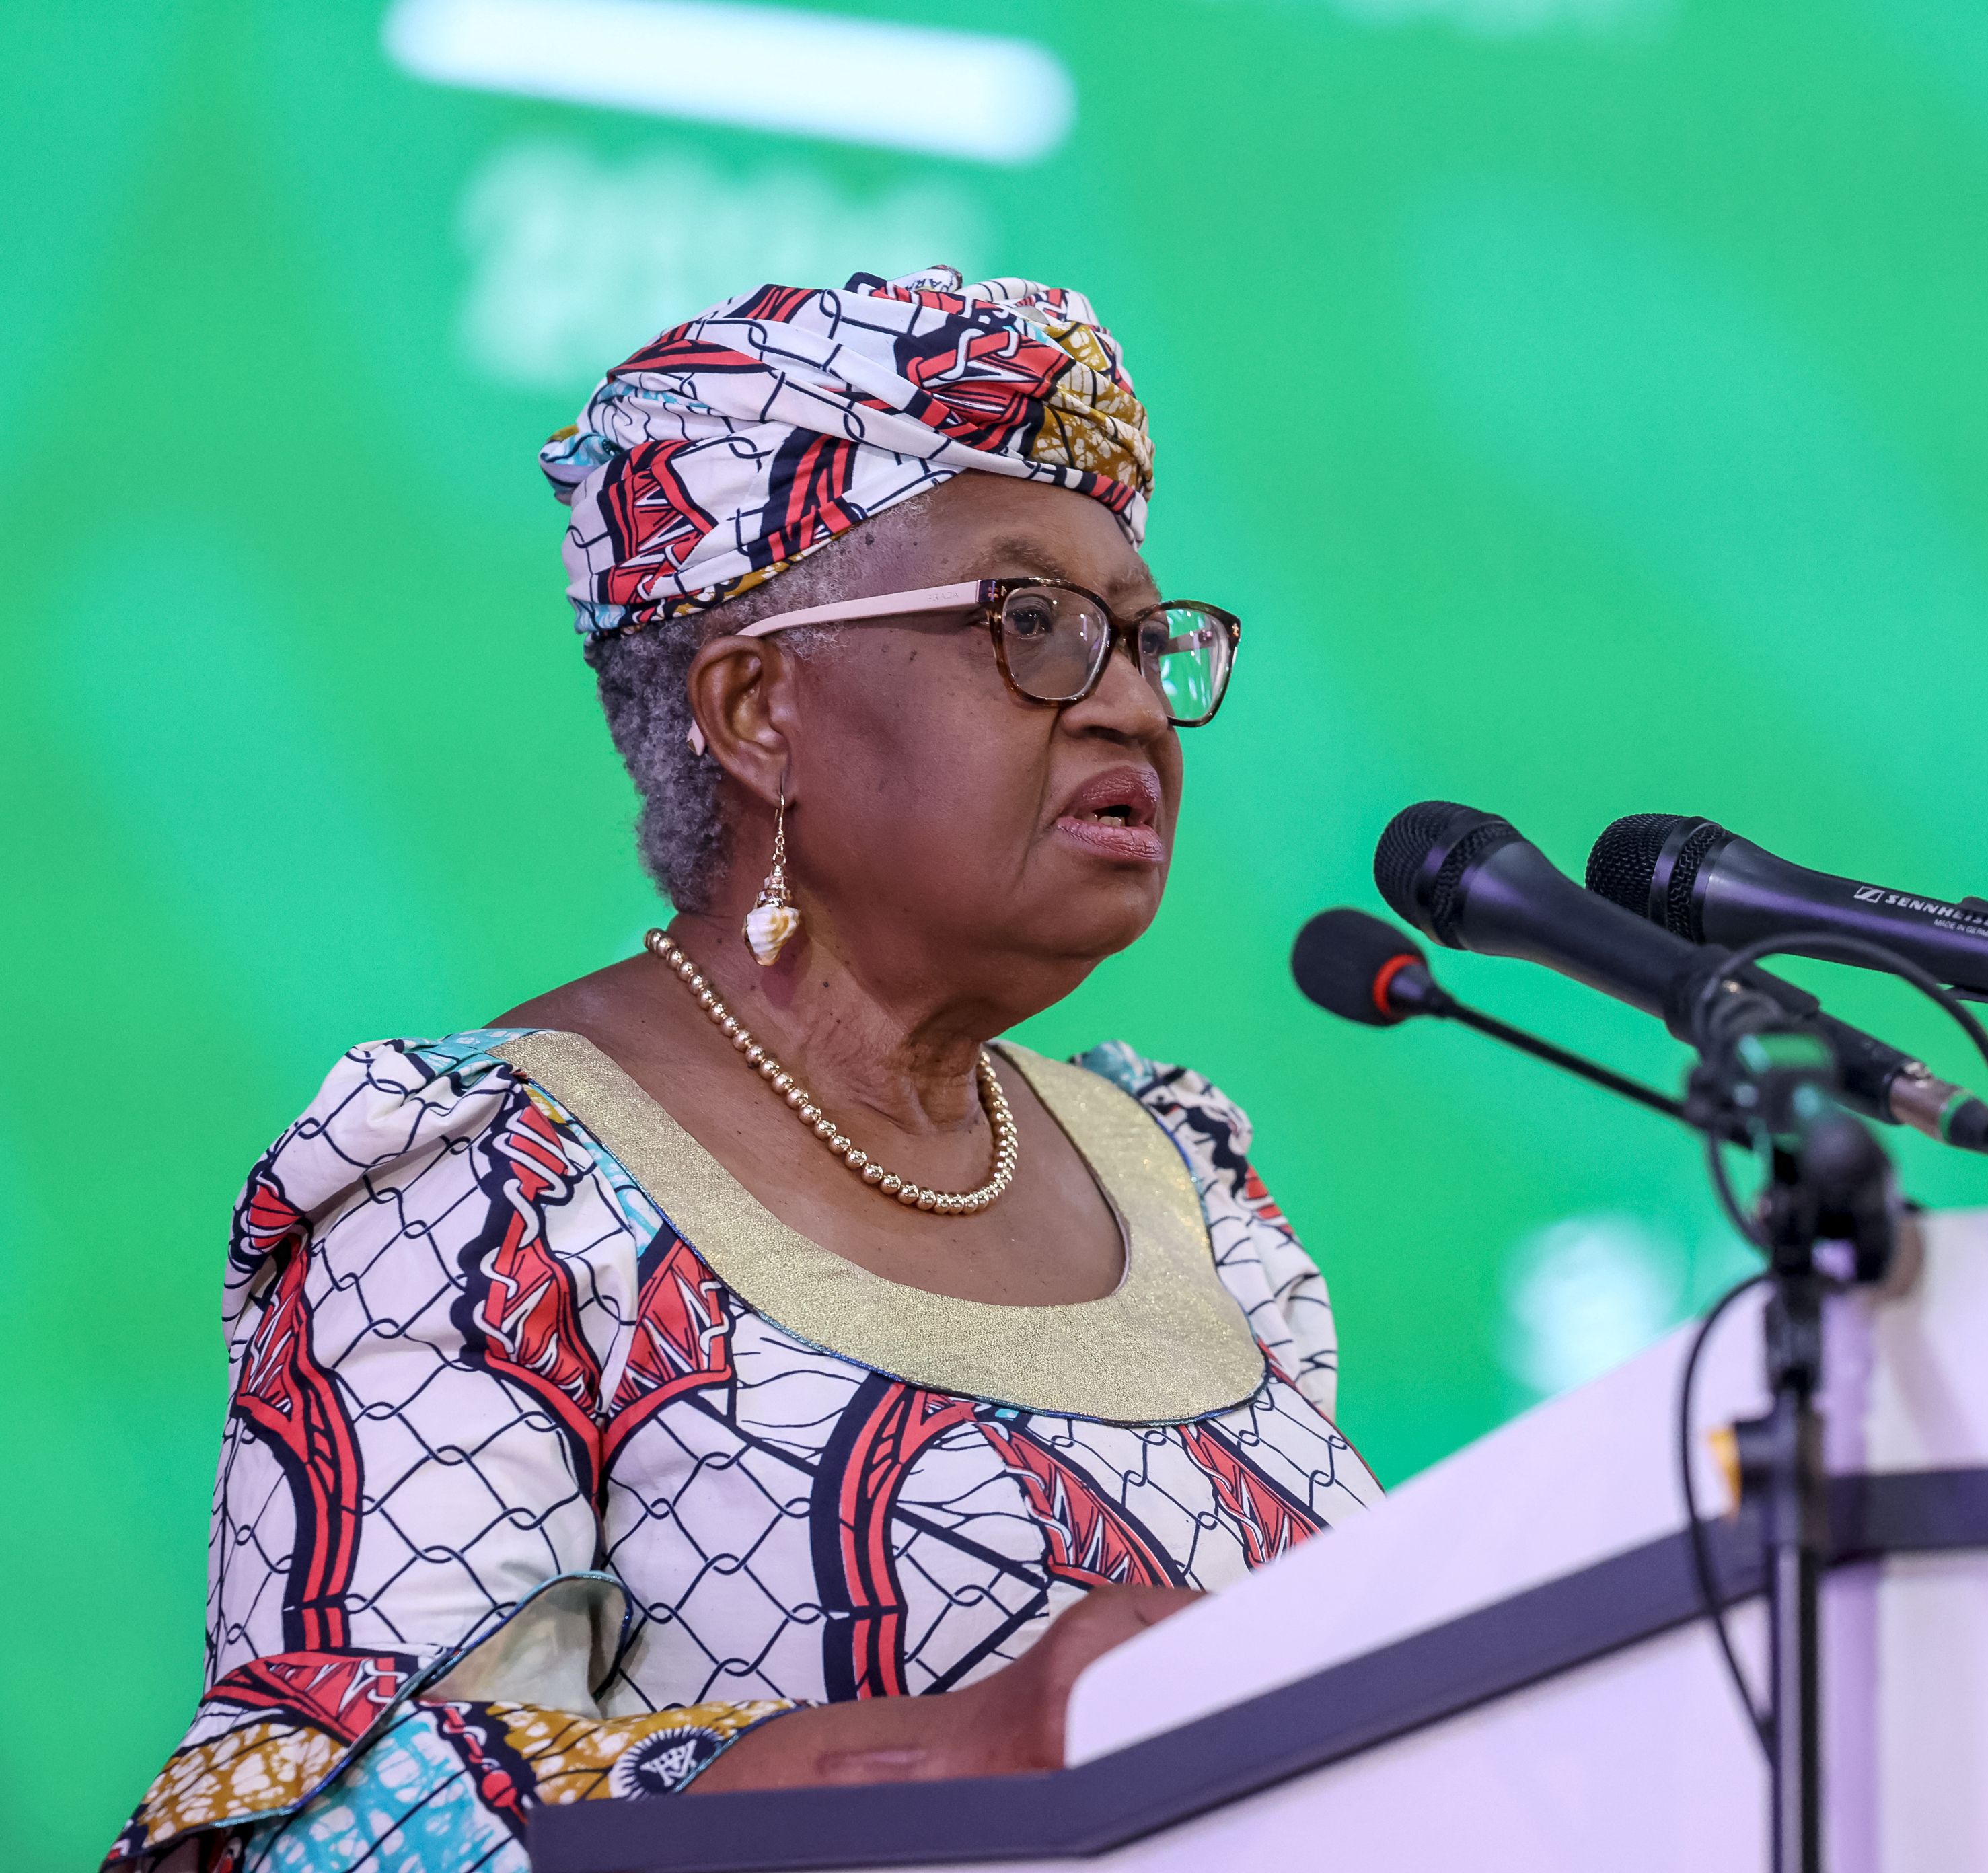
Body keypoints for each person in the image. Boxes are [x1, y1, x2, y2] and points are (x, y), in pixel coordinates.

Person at [112, 266, 1380, 1872]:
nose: (1134, 703)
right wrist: (953, 1760)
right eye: (1038, 627)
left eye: (1146, 637)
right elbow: (305, 1836)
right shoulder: (489, 1189)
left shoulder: (1183, 1180)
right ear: (760, 707)